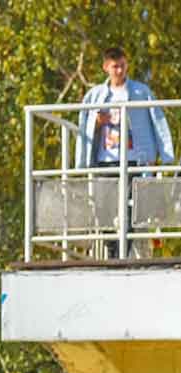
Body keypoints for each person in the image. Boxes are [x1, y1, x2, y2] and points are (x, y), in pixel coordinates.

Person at [75, 46, 175, 258]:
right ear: (106, 67)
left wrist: (165, 155)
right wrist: (97, 122)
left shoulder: (141, 91)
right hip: (105, 160)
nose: (120, 71)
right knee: (103, 207)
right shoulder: (95, 95)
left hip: (134, 159)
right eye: (115, 67)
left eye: (122, 65)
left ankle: (122, 253)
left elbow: (157, 120)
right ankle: (113, 249)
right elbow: (84, 126)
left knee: (130, 207)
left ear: (127, 64)